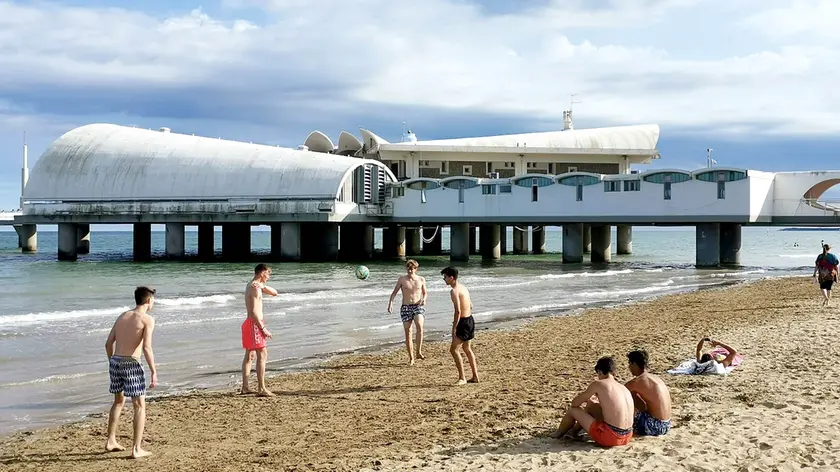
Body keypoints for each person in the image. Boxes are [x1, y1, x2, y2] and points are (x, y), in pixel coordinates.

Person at [104, 286, 158, 459]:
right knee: (139, 406)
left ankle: (111, 440)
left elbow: (108, 343)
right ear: (148, 300)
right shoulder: (147, 319)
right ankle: (136, 448)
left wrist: (112, 361)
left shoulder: (123, 316)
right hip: (132, 363)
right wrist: (153, 371)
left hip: (116, 361)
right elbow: (147, 348)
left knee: (118, 402)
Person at [553, 357, 634, 447]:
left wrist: (588, 399)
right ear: (614, 372)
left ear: (599, 372)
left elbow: (575, 403)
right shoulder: (623, 388)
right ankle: (573, 432)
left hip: (610, 437)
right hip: (627, 436)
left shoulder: (599, 384)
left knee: (573, 410)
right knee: (591, 406)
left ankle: (558, 433)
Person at [241, 264, 278, 396]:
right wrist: (263, 329)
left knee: (249, 355)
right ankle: (261, 388)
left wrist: (263, 285)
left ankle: (245, 387)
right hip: (254, 323)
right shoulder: (255, 288)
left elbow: (275, 293)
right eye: (268, 273)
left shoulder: (252, 285)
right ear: (262, 273)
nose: (269, 276)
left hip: (249, 323)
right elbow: (253, 311)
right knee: (262, 354)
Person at [441, 266, 479, 385]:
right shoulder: (463, 287)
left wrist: (454, 328)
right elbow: (471, 305)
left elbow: (457, 311)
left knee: (454, 350)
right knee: (467, 348)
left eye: (445, 277)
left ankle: (462, 378)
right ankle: (475, 376)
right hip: (470, 320)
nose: (444, 279)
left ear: (452, 278)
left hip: (463, 322)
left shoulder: (454, 291)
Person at [387, 259, 428, 365]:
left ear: (416, 269)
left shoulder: (421, 279)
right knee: (408, 332)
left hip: (417, 306)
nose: (410, 271)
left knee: (419, 326)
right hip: (406, 307)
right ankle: (411, 358)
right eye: (408, 269)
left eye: (412, 269)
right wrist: (390, 304)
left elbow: (425, 293)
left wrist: (424, 299)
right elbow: (394, 293)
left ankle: (418, 352)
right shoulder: (402, 279)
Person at [625, 350, 672, 436]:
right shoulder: (655, 378)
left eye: (630, 364)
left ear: (634, 364)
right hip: (667, 424)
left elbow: (620, 392)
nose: (629, 367)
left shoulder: (637, 382)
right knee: (635, 396)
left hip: (656, 426)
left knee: (629, 396)